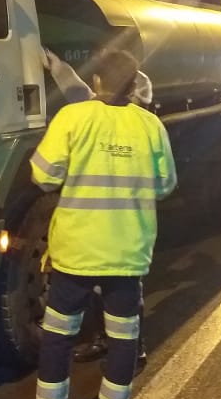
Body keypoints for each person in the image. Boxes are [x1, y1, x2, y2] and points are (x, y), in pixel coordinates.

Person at [28, 49, 176, 399]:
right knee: (124, 339)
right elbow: (165, 184)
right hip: (127, 256)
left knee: (59, 337)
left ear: (95, 82)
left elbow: (42, 175)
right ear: (134, 85)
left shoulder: (73, 117)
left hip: (75, 254)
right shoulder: (150, 126)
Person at [41, 48, 151, 368]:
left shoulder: (137, 120)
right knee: (106, 289)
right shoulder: (98, 109)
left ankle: (135, 345)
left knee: (124, 294)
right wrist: (56, 64)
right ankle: (107, 341)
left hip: (124, 227)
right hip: (103, 226)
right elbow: (79, 91)